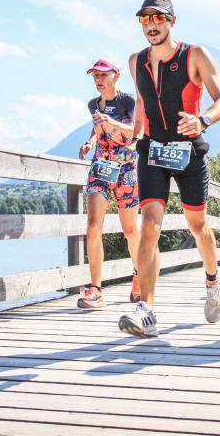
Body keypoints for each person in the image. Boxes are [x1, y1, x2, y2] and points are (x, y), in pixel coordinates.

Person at [118, 0, 220, 338]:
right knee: (149, 227)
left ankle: (212, 282)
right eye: (145, 19)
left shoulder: (194, 55)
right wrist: (134, 135)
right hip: (152, 152)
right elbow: (142, 102)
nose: (151, 25)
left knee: (198, 226)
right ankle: (146, 311)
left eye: (158, 18)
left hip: (188, 153)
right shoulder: (136, 61)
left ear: (172, 21)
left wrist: (202, 120)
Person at [77, 59, 141, 309]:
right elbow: (97, 128)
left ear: (117, 76)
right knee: (93, 226)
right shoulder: (93, 104)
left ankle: (139, 276)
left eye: (103, 75)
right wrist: (90, 142)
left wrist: (111, 123)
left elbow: (137, 133)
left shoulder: (128, 102)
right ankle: (96, 289)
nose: (98, 79)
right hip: (101, 167)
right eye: (95, 75)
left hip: (126, 169)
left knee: (130, 230)